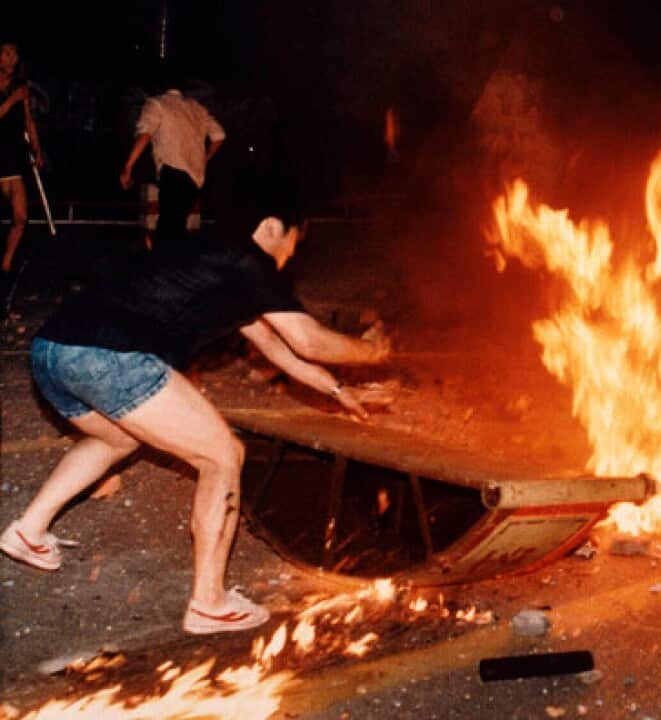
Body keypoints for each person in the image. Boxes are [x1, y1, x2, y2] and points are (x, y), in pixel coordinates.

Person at [0, 199, 391, 634]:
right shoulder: (249, 261)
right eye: (293, 243)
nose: (291, 256)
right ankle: (209, 603)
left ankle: (28, 531)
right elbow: (309, 340)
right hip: (113, 357)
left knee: (118, 439)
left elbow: (280, 350)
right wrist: (374, 351)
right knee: (222, 455)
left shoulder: (209, 259)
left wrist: (340, 391)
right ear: (271, 226)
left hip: (54, 350)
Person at [119, 78, 224, 251]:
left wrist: (128, 166)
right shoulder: (197, 108)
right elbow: (219, 136)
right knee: (177, 226)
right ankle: (173, 266)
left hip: (173, 172)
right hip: (195, 177)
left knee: (168, 229)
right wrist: (205, 158)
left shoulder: (157, 104)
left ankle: (164, 269)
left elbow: (144, 135)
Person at [0, 41, 43, 273]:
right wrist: (13, 99)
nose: (12, 58)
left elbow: (28, 120)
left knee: (21, 215)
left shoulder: (20, 86)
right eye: (7, 53)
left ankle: (5, 263)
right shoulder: (13, 92)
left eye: (15, 53)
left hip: (13, 155)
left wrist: (36, 148)